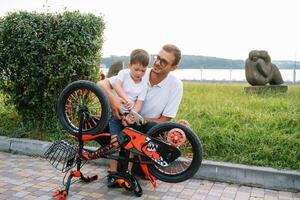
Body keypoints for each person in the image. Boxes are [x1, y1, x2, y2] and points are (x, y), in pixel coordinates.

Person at [98, 44, 183, 185]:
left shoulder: (175, 86)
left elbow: (164, 121)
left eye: (164, 61)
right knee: (111, 137)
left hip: (146, 130)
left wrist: (135, 119)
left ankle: (132, 168)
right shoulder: (138, 71)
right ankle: (117, 168)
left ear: (173, 67)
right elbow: (101, 83)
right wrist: (112, 99)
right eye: (157, 57)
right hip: (122, 122)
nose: (157, 62)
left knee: (143, 168)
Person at [105, 49, 150, 183]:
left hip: (131, 117)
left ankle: (127, 173)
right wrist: (125, 99)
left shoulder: (144, 85)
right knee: (114, 144)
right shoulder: (123, 74)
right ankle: (112, 173)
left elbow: (139, 103)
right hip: (117, 114)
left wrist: (131, 115)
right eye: (136, 69)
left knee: (132, 146)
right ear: (130, 65)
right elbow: (117, 86)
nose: (139, 73)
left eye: (143, 70)